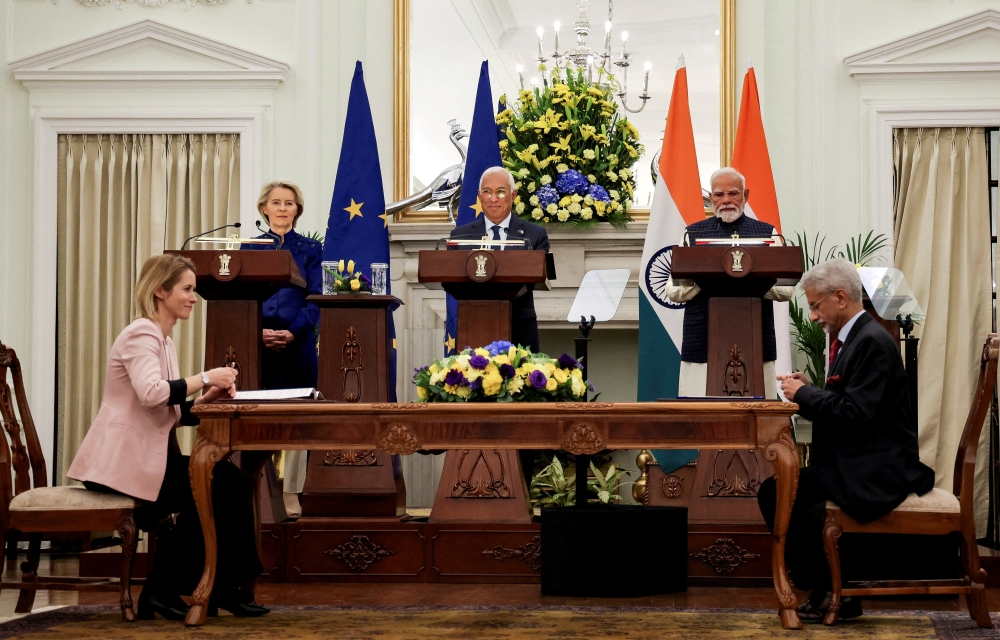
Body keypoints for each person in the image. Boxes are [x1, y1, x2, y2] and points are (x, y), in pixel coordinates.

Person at [68, 253, 268, 620]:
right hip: (119, 467)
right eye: (188, 289)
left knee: (223, 480)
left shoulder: (164, 340)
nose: (194, 297)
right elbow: (152, 393)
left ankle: (212, 586)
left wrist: (203, 401)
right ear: (160, 291)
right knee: (216, 482)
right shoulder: (141, 332)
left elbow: (164, 410)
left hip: (142, 462)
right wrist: (206, 377)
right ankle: (187, 588)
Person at [758, 258, 935, 621]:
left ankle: (830, 589)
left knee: (778, 493)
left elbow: (856, 413)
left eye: (815, 305)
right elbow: (848, 403)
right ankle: (831, 588)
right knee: (779, 491)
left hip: (877, 468)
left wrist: (804, 396)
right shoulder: (857, 337)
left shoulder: (870, 341)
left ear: (840, 297)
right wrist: (808, 391)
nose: (812, 316)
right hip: (858, 460)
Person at [666, 167, 793, 398]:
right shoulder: (691, 235)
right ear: (711, 197)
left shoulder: (768, 234)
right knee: (701, 420)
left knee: (756, 420)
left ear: (746, 195)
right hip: (702, 340)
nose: (726, 200)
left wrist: (751, 280)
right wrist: (707, 278)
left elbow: (786, 289)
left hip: (755, 339)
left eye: (733, 193)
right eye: (718, 194)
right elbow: (673, 291)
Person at [243, 181, 322, 518]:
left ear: (296, 210)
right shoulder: (248, 248)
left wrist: (291, 333)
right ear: (264, 209)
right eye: (276, 202)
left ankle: (295, 495)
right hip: (257, 349)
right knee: (259, 421)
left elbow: (317, 298)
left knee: (299, 421)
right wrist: (256, 331)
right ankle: (257, 491)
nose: (282, 208)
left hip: (298, 347)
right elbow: (241, 297)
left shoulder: (311, 250)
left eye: (289, 203)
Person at [449, 166, 550, 353]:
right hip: (474, 326)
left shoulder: (535, 235)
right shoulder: (460, 236)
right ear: (479, 196)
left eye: (501, 192)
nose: (493, 199)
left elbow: (537, 275)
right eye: (487, 192)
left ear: (513, 195)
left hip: (520, 326)